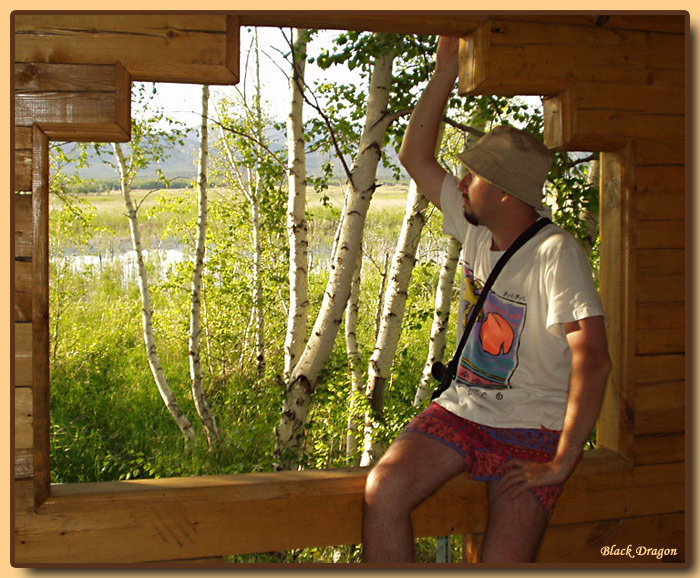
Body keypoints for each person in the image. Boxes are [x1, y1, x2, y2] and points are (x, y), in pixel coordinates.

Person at [362, 36, 612, 563]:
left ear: (502, 191)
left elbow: (594, 360)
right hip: (464, 408)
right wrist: (446, 68)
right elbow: (413, 155)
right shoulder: (478, 230)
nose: (462, 182)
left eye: (471, 175)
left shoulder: (555, 253)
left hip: (534, 425)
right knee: (382, 491)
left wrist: (563, 462)